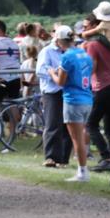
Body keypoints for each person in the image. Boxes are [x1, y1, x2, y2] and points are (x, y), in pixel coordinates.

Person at [84, 9, 110, 173]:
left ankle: (105, 158)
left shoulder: (92, 45)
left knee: (90, 124)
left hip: (103, 87)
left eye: (86, 26)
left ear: (95, 26)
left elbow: (92, 68)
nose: (84, 30)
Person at [57, 35, 94, 182]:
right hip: (87, 98)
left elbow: (60, 82)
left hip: (73, 100)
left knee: (76, 139)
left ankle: (82, 172)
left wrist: (51, 73)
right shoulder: (84, 53)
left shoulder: (67, 56)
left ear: (60, 41)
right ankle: (82, 169)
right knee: (82, 134)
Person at [37, 25, 73, 168]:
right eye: (64, 41)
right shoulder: (47, 51)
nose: (66, 44)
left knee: (67, 125)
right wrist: (55, 74)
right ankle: (51, 157)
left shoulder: (70, 50)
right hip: (52, 92)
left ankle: (63, 158)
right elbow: (40, 70)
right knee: (52, 124)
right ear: (57, 40)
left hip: (68, 90)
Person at [0, 21, 23, 143]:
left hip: (2, 77)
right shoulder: (14, 43)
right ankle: (12, 136)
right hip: (15, 76)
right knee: (13, 105)